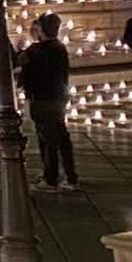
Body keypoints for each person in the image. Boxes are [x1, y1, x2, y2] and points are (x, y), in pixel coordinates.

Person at [16, 12, 78, 193]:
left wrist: (18, 47)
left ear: (41, 29)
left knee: (48, 139)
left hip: (41, 99)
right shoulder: (60, 48)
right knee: (61, 137)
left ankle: (50, 179)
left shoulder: (35, 50)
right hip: (58, 98)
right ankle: (71, 176)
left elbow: (16, 61)